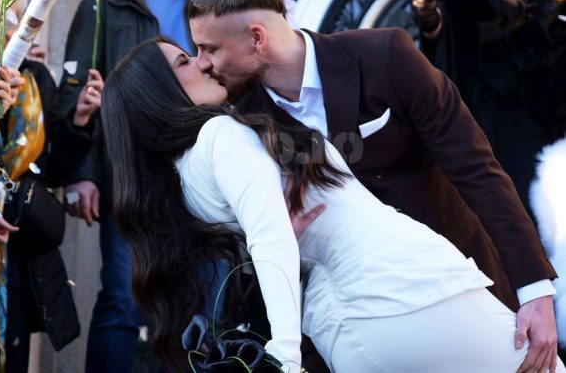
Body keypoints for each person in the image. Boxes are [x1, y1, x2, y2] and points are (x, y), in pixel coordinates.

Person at [186, 0, 561, 372]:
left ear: (257, 38)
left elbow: (477, 170)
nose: (202, 63)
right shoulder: (241, 121)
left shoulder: (385, 55)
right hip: (349, 326)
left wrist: (535, 290)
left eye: (209, 48)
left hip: (457, 286)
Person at [100, 35, 566, 373]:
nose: (203, 63)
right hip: (403, 292)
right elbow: (270, 240)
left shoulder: (186, 184)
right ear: (158, 93)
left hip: (346, 330)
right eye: (185, 60)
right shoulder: (220, 135)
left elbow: (269, 243)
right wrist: (284, 357)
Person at [56, 0, 214, 370]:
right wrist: (83, 172)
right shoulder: (102, 4)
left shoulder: (217, 1)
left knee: (201, 306)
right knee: (123, 300)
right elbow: (77, 95)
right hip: (130, 174)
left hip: (204, 171)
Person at [412, 0, 566, 222]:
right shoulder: (461, 3)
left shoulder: (557, 29)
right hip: (478, 170)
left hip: (541, 182)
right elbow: (427, 18)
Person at [0, 0, 104, 372]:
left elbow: (53, 171)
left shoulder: (34, 79)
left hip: (16, 252)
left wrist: (79, 120)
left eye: (13, 23)